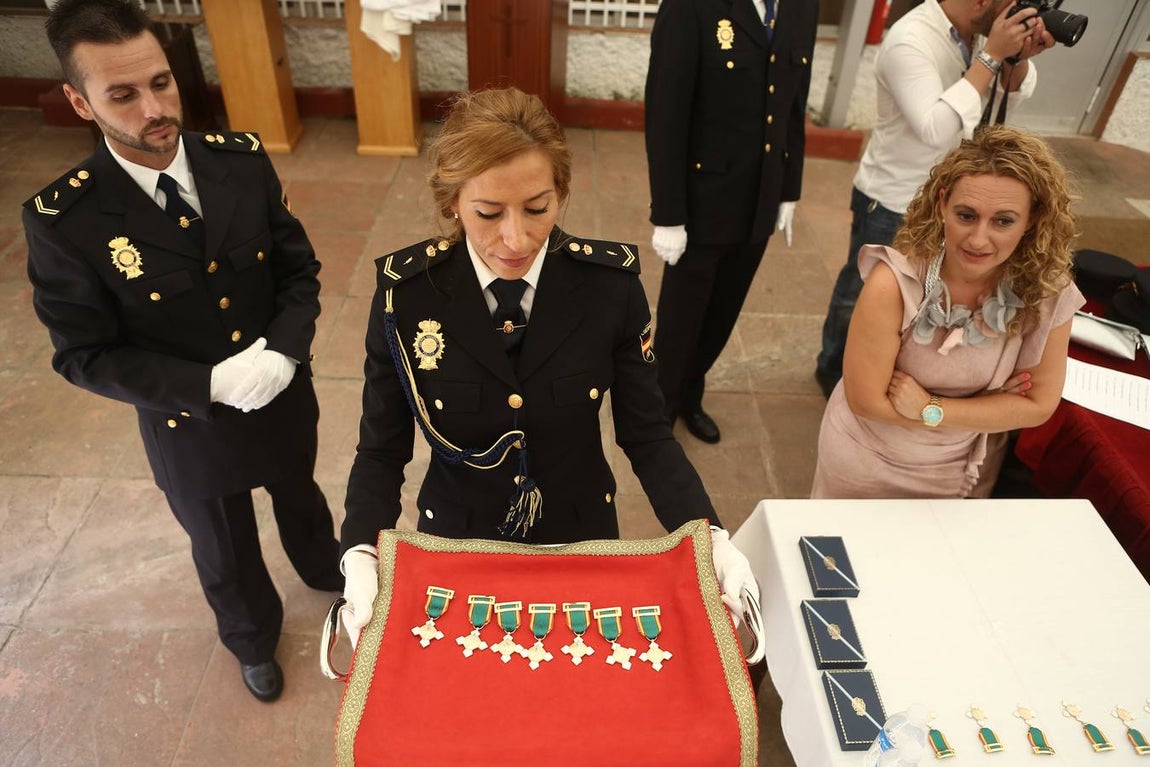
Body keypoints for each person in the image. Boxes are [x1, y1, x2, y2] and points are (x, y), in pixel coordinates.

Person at [339, 87, 759, 646]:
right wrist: (361, 551)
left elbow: (648, 437)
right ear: (452, 203)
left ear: (561, 193)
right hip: (463, 544)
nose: (516, 239)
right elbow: (381, 449)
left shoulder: (609, 290)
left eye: (538, 208)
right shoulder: (406, 298)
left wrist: (709, 536)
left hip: (580, 537)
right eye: (488, 213)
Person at [24, 0, 341, 703]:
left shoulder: (240, 161)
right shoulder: (67, 219)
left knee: (301, 491)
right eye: (123, 95)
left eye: (161, 83)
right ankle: (251, 637)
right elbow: (84, 354)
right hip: (188, 423)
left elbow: (298, 271)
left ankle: (324, 569)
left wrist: (285, 352)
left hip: (280, 392)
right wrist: (206, 384)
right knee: (222, 540)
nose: (154, 107)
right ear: (80, 101)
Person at [810, 125, 1084, 499]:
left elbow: (1037, 406)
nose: (978, 239)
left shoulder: (1049, 292)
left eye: (1003, 221)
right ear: (942, 204)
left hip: (963, 472)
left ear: (1032, 219)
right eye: (966, 215)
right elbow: (867, 401)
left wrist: (931, 407)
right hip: (867, 462)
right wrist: (988, 407)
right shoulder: (893, 284)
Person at [814, 0, 1057, 398]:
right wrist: (991, 55)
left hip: (954, 204)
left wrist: (1014, 60)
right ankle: (835, 369)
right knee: (865, 292)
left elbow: (997, 106)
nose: (1014, 10)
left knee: (924, 294)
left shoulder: (971, 37)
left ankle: (895, 366)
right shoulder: (910, 40)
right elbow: (934, 127)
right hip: (895, 199)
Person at [645, 0, 820, 444]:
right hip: (703, 200)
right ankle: (657, 411)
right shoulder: (691, 7)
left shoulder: (802, 6)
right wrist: (668, 214)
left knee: (723, 312)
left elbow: (794, 104)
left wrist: (789, 187)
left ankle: (690, 392)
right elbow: (665, 113)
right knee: (682, 318)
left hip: (761, 196)